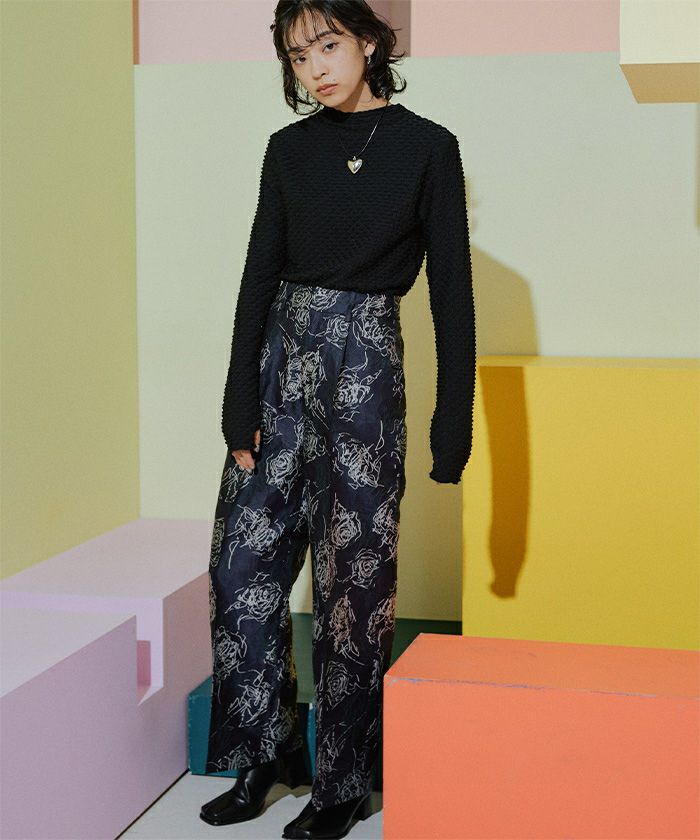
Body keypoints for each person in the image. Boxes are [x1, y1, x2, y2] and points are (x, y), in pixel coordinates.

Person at [200, 1, 476, 838]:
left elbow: (452, 294)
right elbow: (257, 276)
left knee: (354, 590)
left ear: (368, 42)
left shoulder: (428, 148)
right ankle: (268, 751)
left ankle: (343, 783)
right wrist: (237, 404)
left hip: (367, 370)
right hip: (280, 367)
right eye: (297, 55)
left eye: (327, 44)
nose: (314, 66)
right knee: (241, 569)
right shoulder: (287, 150)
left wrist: (452, 423)